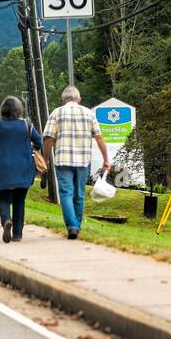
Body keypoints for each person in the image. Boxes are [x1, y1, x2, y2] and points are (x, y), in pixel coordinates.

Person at [42, 85, 110, 240]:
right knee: (79, 195)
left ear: (63, 100)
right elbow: (99, 138)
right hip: (83, 161)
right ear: (79, 99)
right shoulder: (89, 113)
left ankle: (72, 225)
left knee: (66, 193)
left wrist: (45, 159)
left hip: (62, 160)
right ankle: (76, 226)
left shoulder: (56, 113)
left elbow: (48, 139)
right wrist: (106, 159)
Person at [0, 95, 44, 243]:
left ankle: (6, 220)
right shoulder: (27, 125)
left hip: (3, 169)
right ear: (19, 110)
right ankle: (18, 234)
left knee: (2, 199)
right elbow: (39, 142)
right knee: (19, 201)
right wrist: (30, 148)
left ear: (3, 110)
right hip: (23, 169)